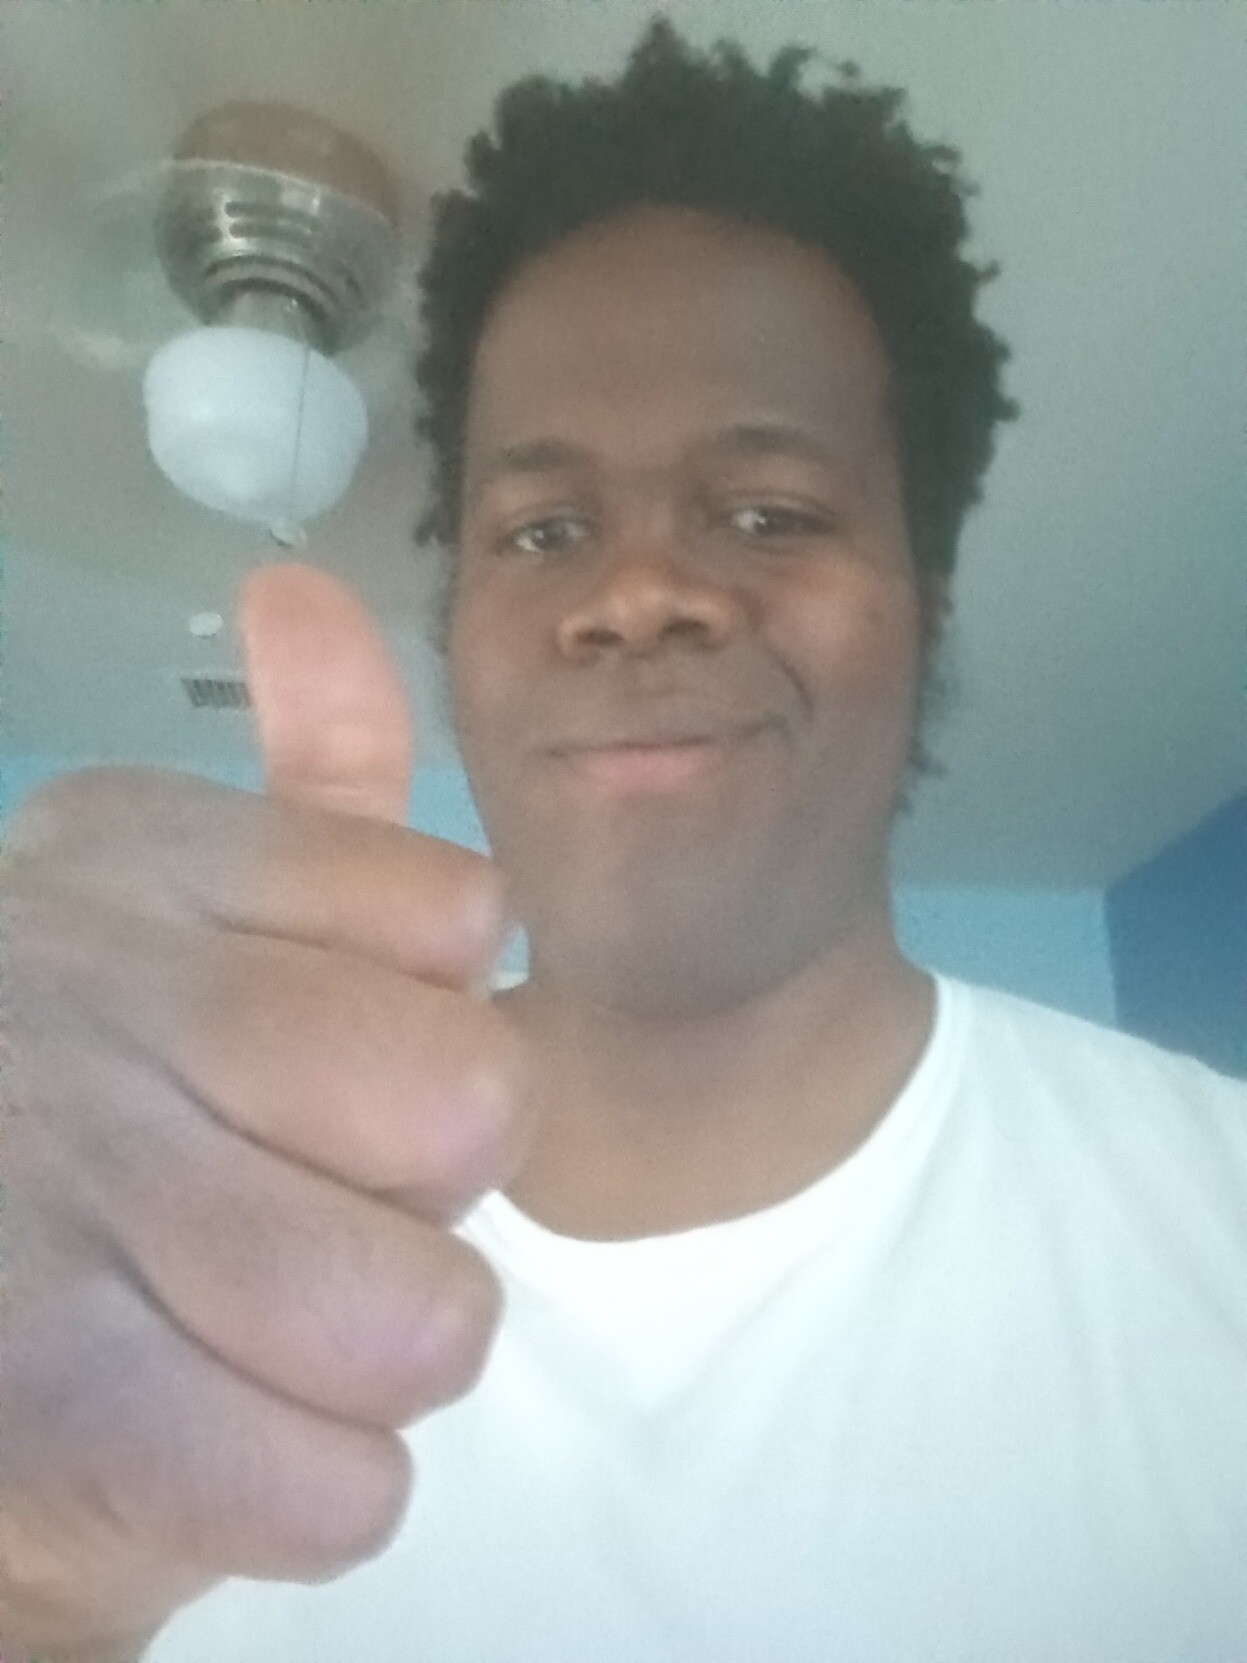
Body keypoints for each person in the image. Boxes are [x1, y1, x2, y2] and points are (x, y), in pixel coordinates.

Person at [2, 16, 1245, 1663]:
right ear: (460, 627)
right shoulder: (122, 1273)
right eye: (546, 528)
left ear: (923, 606)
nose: (640, 590)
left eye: (769, 512)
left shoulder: (1220, 1231)